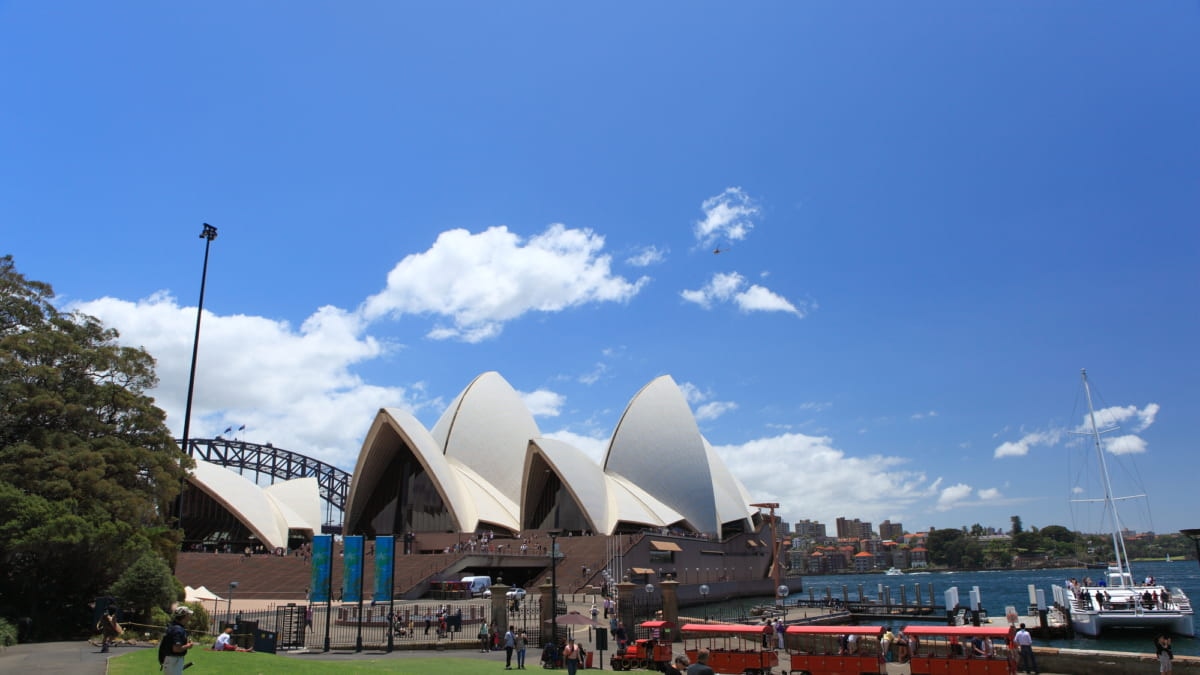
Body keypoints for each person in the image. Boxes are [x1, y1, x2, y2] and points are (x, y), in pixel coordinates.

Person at [157, 606, 195, 675]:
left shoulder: (174, 627)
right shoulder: (178, 630)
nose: (189, 617)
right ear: (184, 616)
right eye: (188, 615)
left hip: (172, 661)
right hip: (173, 661)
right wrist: (188, 646)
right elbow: (176, 649)